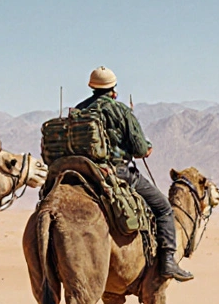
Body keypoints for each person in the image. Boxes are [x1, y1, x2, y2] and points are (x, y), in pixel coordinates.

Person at [74, 66, 192, 281]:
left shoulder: (79, 110)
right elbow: (140, 149)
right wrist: (147, 147)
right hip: (116, 173)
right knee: (164, 209)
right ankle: (168, 261)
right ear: (113, 89)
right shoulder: (120, 110)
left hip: (81, 173)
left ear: (92, 87)